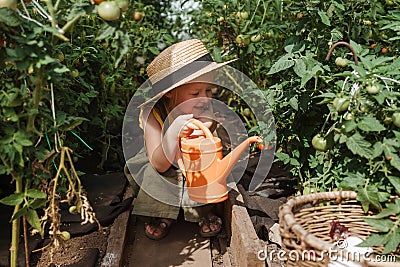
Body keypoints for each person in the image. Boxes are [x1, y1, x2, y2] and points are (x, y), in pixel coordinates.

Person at [124, 39, 235, 240]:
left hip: (192, 159)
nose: (204, 97)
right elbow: (158, 163)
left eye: (208, 90)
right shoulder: (153, 114)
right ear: (169, 94)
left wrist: (206, 126)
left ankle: (203, 211)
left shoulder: (203, 106)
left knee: (206, 166)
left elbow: (209, 132)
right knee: (155, 175)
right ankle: (161, 215)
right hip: (163, 162)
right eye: (195, 92)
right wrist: (173, 132)